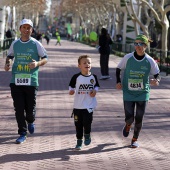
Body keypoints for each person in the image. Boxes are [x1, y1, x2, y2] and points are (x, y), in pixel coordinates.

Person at [4, 19, 48, 144]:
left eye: (29, 28)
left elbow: (46, 58)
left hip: (31, 81)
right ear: (20, 29)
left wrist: (37, 63)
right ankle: (22, 133)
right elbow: (9, 56)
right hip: (16, 81)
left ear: (32, 30)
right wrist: (7, 64)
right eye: (24, 27)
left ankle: (31, 120)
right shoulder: (15, 43)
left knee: (30, 109)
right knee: (18, 108)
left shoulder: (36, 44)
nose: (26, 30)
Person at [116, 34, 160, 148]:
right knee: (129, 117)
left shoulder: (149, 60)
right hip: (128, 92)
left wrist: (156, 81)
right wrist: (118, 82)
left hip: (143, 92)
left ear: (145, 46)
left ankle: (134, 139)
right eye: (136, 43)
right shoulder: (128, 57)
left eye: (140, 44)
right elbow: (118, 68)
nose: (138, 46)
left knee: (139, 117)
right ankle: (128, 124)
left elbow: (157, 74)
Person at [69, 55, 100, 150]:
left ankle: (87, 135)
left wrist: (95, 91)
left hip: (89, 105)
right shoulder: (76, 77)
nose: (87, 64)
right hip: (78, 106)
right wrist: (71, 90)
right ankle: (79, 142)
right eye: (84, 63)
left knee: (87, 122)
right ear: (79, 66)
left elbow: (97, 86)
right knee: (78, 125)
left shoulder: (93, 77)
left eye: (89, 63)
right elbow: (71, 86)